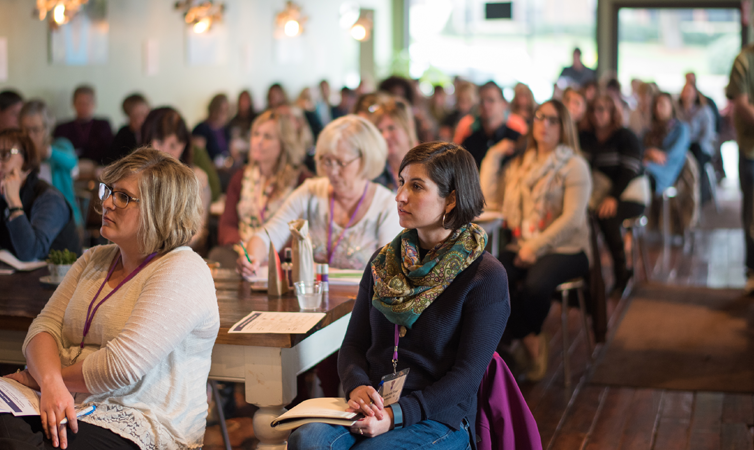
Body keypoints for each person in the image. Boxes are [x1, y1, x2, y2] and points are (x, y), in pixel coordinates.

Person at [0, 148, 220, 449]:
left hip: (137, 419)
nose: (105, 203)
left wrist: (42, 379)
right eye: (109, 191)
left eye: (123, 197)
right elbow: (43, 329)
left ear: (161, 209)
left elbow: (121, 366)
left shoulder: (183, 269)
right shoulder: (95, 258)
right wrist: (51, 382)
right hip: (60, 396)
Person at [287, 141, 510, 450]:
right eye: (402, 182)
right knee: (306, 439)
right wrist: (356, 384)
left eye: (417, 186)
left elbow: (466, 377)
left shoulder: (485, 275)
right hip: (374, 404)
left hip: (438, 416)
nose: (400, 196)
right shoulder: (384, 261)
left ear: (451, 200)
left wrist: (397, 414)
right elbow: (353, 344)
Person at [480, 99, 592, 381]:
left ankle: (516, 342)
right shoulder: (522, 164)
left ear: (564, 126)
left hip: (566, 248)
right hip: (523, 242)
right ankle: (528, 339)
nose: (544, 124)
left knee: (535, 284)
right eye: (540, 117)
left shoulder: (574, 165)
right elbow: (491, 201)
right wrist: (493, 157)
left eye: (553, 120)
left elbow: (573, 219)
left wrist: (536, 246)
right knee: (487, 277)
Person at [237, 115, 401, 273]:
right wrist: (252, 258)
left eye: (341, 163)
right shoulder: (310, 191)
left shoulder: (386, 206)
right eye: (327, 161)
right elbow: (269, 234)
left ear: (365, 159)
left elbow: (387, 272)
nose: (333, 171)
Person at [0, 128, 80, 261]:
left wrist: (14, 204)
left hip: (57, 280)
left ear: (26, 159)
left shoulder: (50, 198)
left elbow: (31, 253)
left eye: (4, 154)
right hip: (12, 279)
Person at [214, 109, 312, 264]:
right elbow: (227, 225)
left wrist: (267, 253)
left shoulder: (301, 180)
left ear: (284, 143)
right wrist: (245, 249)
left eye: (267, 137)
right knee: (218, 255)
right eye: (256, 134)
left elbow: (304, 231)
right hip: (243, 254)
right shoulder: (240, 177)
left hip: (282, 257)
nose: (258, 141)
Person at [580, 94, 646, 294]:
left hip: (630, 194)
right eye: (592, 110)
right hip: (598, 195)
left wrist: (613, 198)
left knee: (607, 216)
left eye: (601, 109)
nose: (596, 115)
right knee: (583, 219)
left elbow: (629, 171)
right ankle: (588, 277)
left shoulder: (625, 136)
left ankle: (621, 272)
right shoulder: (587, 137)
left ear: (612, 112)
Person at [140, 107, 216, 252]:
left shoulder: (197, 179)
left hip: (179, 252)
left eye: (173, 145)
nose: (164, 151)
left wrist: (166, 249)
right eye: (158, 142)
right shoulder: (138, 176)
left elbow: (197, 231)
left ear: (184, 145)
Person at [19, 99, 83, 226]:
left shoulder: (60, 146)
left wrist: (49, 152)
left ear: (47, 128)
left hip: (65, 220)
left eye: (35, 130)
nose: (30, 136)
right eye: (25, 130)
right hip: (33, 219)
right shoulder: (20, 153)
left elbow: (73, 163)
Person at [726, 43, 754, 293]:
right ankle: (752, 270)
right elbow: (742, 105)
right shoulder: (744, 61)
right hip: (751, 150)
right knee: (752, 214)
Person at [454, 81, 524, 167]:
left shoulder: (517, 139)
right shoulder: (470, 142)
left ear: (503, 104)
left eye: (491, 100)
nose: (485, 105)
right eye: (482, 101)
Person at [643, 93, 690, 196]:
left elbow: (668, 156)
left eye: (662, 105)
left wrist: (648, 155)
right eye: (656, 105)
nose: (658, 108)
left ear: (671, 107)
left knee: (638, 177)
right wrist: (650, 152)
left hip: (664, 172)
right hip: (646, 166)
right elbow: (638, 147)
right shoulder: (650, 129)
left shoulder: (681, 129)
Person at [53, 85, 114, 164]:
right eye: (80, 103)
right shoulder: (62, 128)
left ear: (94, 104)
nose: (83, 107)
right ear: (74, 104)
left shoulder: (103, 126)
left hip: (98, 170)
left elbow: (111, 153)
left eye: (87, 103)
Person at [368, 97, 418, 192]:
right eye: (380, 130)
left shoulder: (428, 167)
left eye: (391, 128)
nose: (385, 136)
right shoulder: (374, 174)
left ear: (408, 127)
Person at [107, 93, 150, 163]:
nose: (140, 120)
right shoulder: (124, 133)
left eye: (143, 114)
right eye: (134, 117)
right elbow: (112, 158)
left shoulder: (156, 131)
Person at [192, 93, 232, 163]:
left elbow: (231, 153)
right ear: (213, 110)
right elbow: (198, 156)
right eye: (220, 111)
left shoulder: (225, 130)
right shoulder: (201, 129)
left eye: (225, 111)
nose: (222, 115)